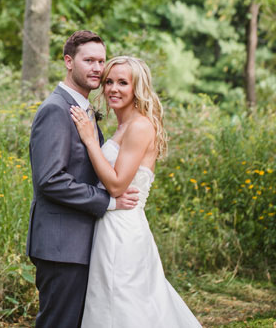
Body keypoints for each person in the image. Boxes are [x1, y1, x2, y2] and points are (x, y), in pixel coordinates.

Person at [70, 56, 201, 327]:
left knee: (125, 304)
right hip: (108, 225)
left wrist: (90, 141)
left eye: (123, 83)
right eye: (109, 82)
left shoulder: (140, 126)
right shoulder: (121, 127)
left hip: (124, 230)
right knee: (108, 303)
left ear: (137, 88)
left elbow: (117, 185)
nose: (113, 89)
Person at [26, 30, 140, 328]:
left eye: (101, 61)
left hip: (82, 243)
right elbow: (50, 180)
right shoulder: (55, 110)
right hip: (62, 246)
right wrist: (108, 202)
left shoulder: (83, 109)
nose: (97, 68)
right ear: (68, 61)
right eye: (89, 60)